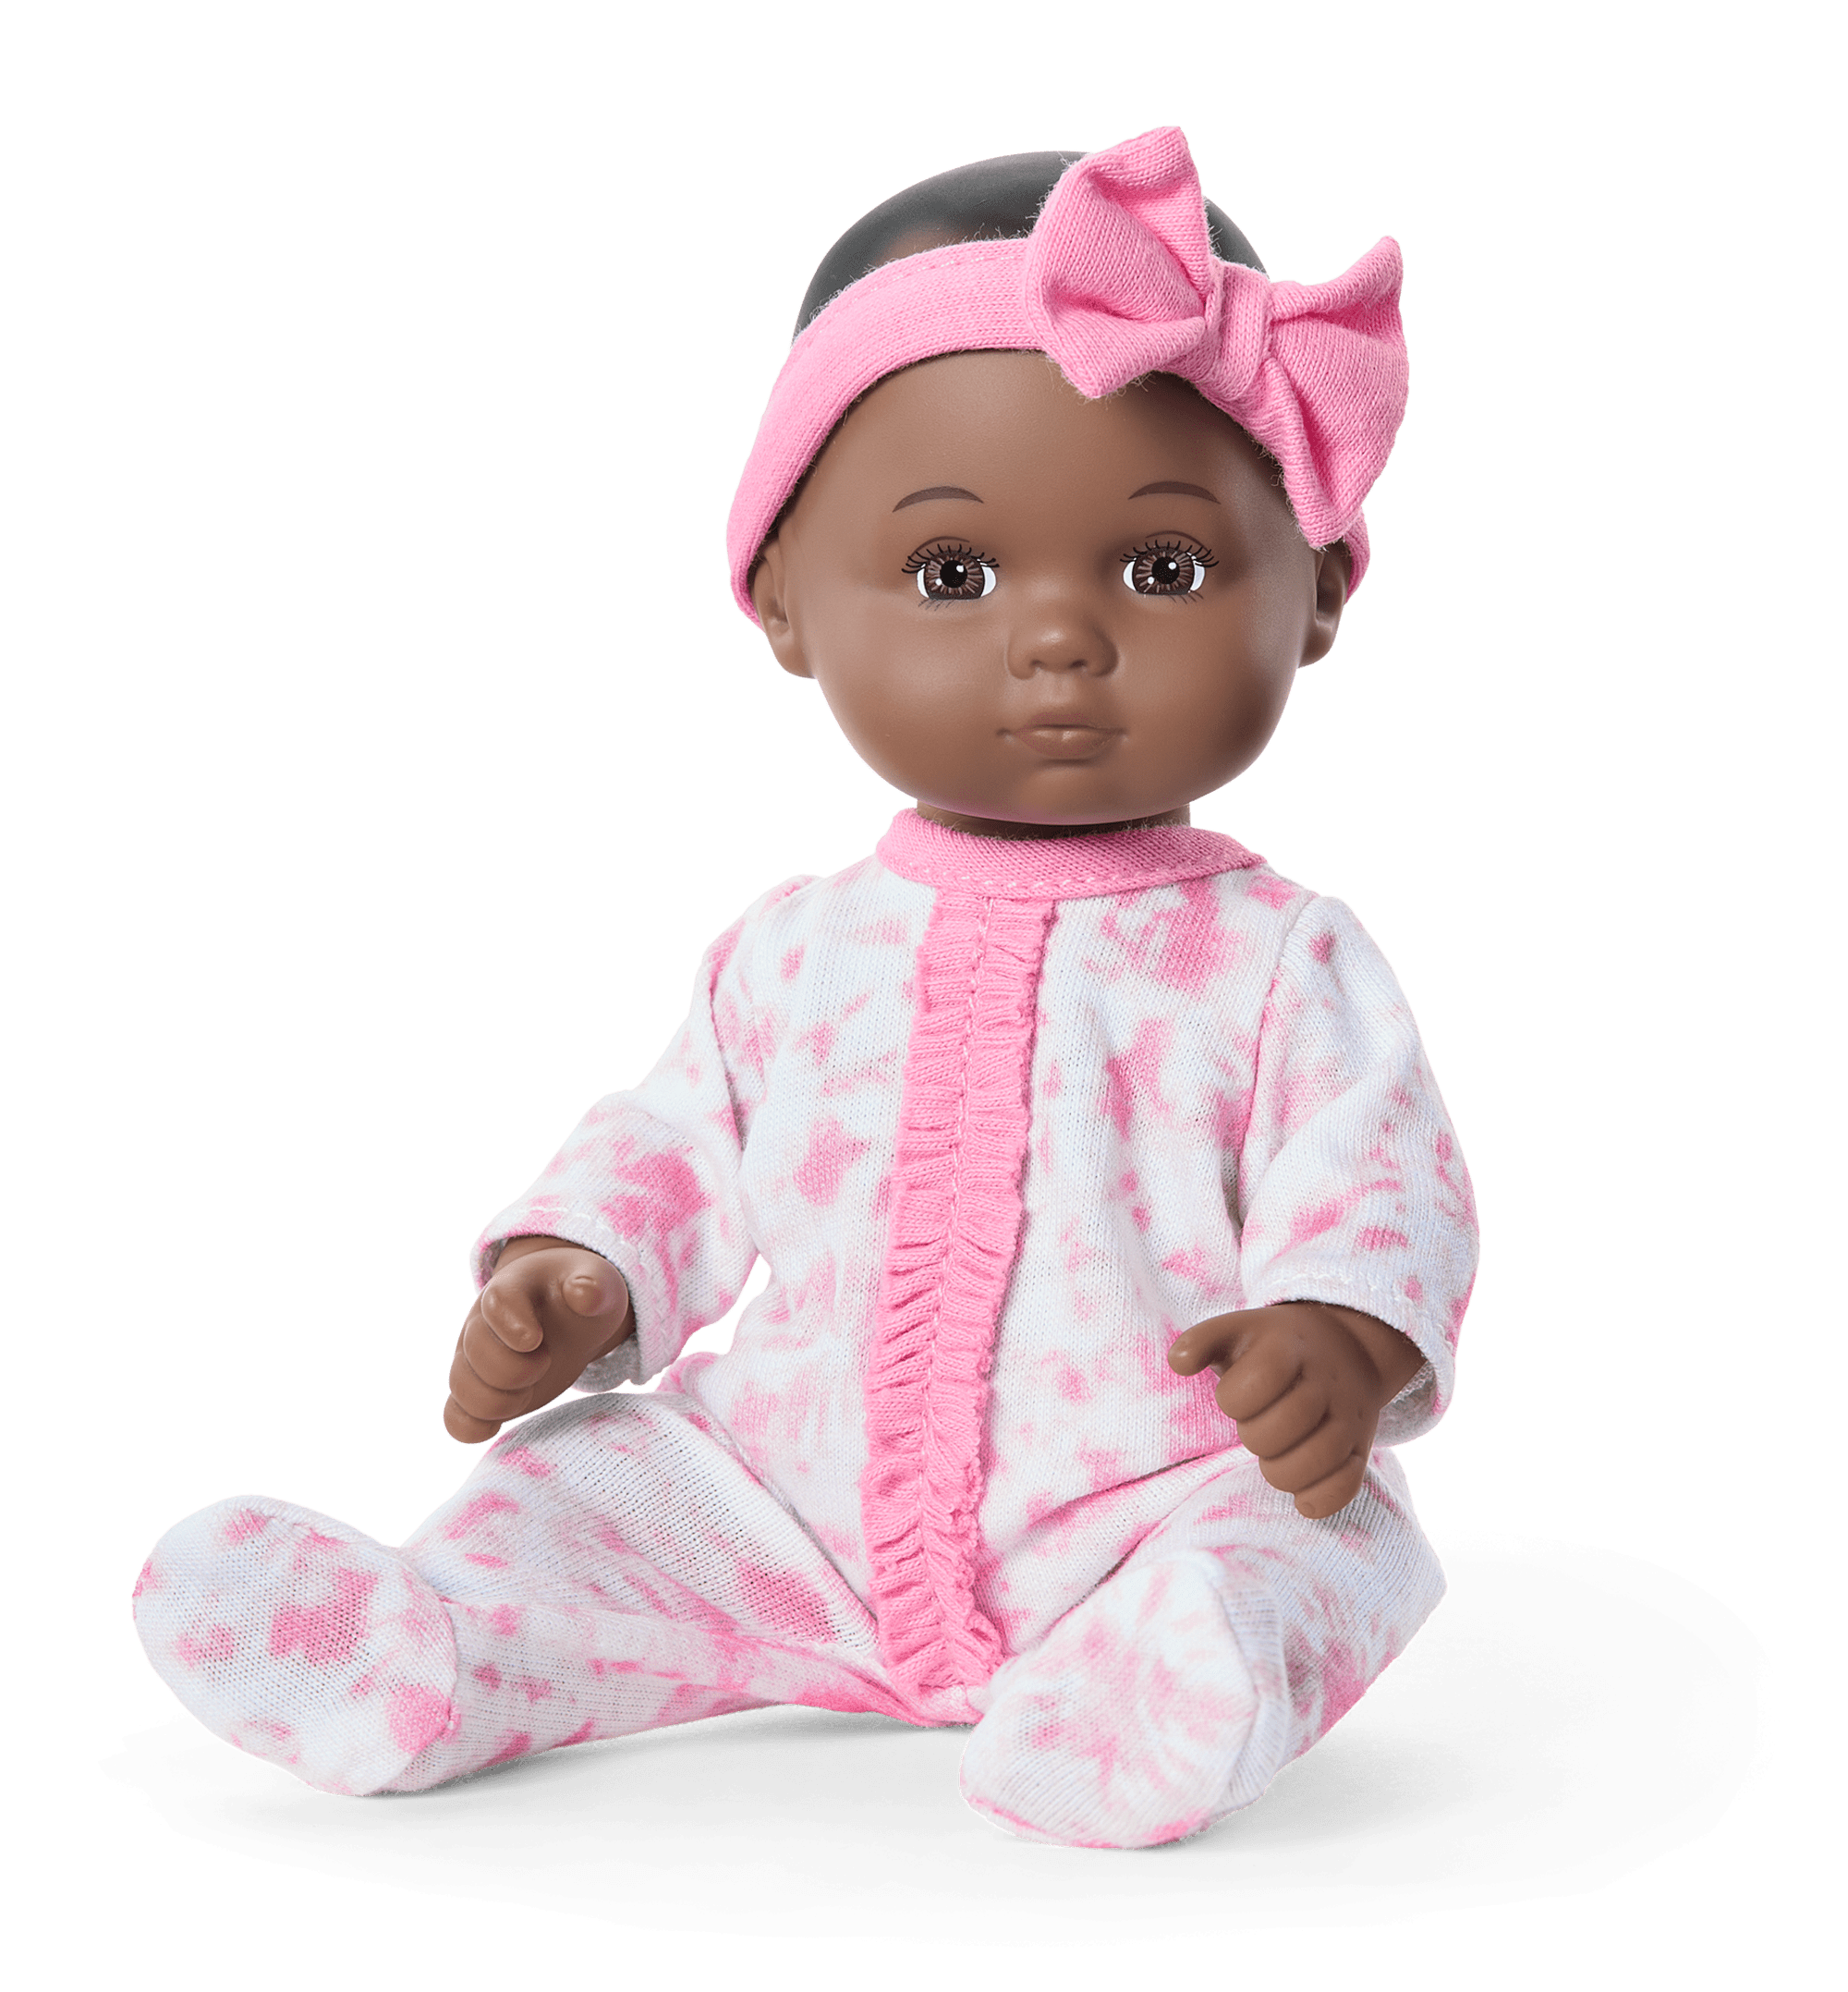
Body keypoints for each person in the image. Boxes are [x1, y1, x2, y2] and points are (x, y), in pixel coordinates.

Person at [133, 125, 1478, 1850]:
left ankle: (1155, 1694)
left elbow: (1378, 1178)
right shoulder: (791, 947)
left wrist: (1342, 1336)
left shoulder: (1286, 959)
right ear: (783, 602)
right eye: (951, 574)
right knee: (583, 1488)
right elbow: (679, 1141)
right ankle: (428, 1652)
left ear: (1321, 588)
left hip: (1154, 1489)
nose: (1058, 637)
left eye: (1163, 568)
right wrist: (583, 1272)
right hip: (783, 1497)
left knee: (1316, 1543)